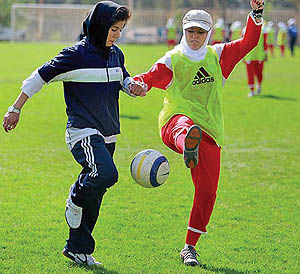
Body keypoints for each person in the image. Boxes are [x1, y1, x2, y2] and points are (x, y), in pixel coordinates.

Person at [2, 1, 145, 266]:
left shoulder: (116, 54)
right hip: (82, 132)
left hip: (109, 133)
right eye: (113, 29)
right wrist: (15, 109)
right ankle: (74, 197)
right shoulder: (75, 55)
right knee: (105, 175)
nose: (117, 35)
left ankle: (78, 249)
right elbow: (39, 77)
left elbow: (123, 78)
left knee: (96, 194)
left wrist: (132, 85)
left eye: (121, 29)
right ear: (100, 26)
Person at [130, 0, 265, 267]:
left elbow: (248, 42)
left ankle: (189, 247)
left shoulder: (218, 55)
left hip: (210, 133)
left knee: (207, 192)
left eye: (200, 32)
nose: (195, 36)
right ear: (184, 31)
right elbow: (148, 77)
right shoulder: (173, 59)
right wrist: (138, 85)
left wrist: (256, 13)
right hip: (174, 125)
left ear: (209, 33)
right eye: (191, 31)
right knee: (184, 124)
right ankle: (186, 144)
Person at [243, 22, 267, 97]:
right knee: (250, 74)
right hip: (249, 57)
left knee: (259, 73)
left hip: (259, 56)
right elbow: (242, 43)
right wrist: (242, 56)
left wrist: (266, 54)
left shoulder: (262, 30)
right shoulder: (245, 30)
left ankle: (259, 85)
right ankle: (252, 91)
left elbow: (265, 43)